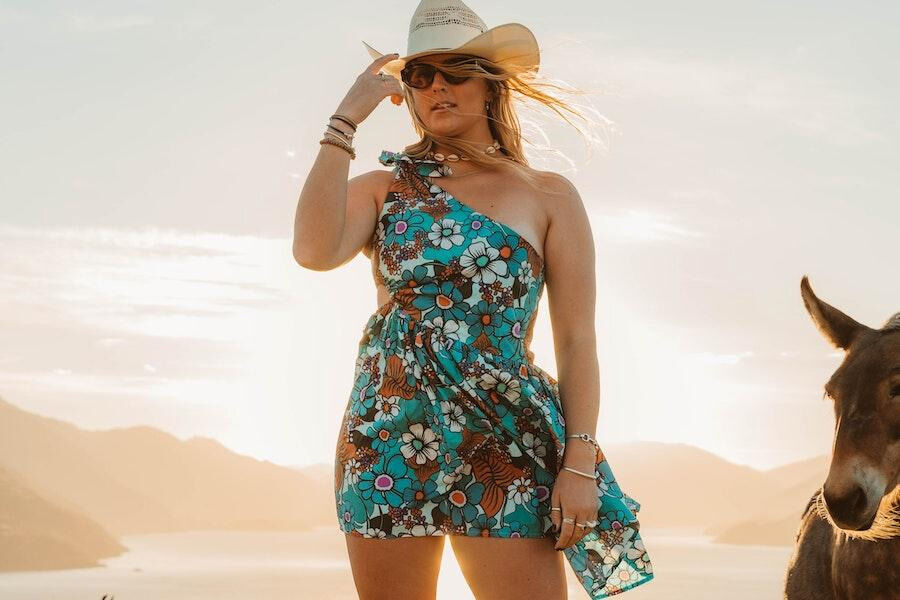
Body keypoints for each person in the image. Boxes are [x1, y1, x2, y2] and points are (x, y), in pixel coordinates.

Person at [293, 1, 655, 598]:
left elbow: (576, 338)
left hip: (503, 436)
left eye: (454, 71)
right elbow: (312, 249)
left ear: (489, 87)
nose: (436, 86)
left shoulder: (548, 195)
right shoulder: (386, 188)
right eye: (419, 76)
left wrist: (580, 463)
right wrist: (344, 121)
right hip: (387, 432)